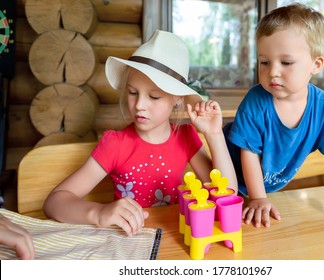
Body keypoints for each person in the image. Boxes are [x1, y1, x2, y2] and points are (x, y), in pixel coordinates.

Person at [223, 3, 324, 251]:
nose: (273, 72)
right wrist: (258, 198)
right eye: (264, 62)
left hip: (267, 187)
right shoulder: (255, 101)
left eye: (287, 62)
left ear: (316, 64)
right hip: (226, 175)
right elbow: (249, 153)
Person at [43, 30, 237, 236]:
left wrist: (215, 135)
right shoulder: (115, 144)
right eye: (132, 92)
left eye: (154, 96)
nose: (139, 105)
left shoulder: (185, 136)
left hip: (175, 239)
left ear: (178, 98)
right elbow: (55, 202)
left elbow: (227, 197)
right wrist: (99, 212)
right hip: (130, 243)